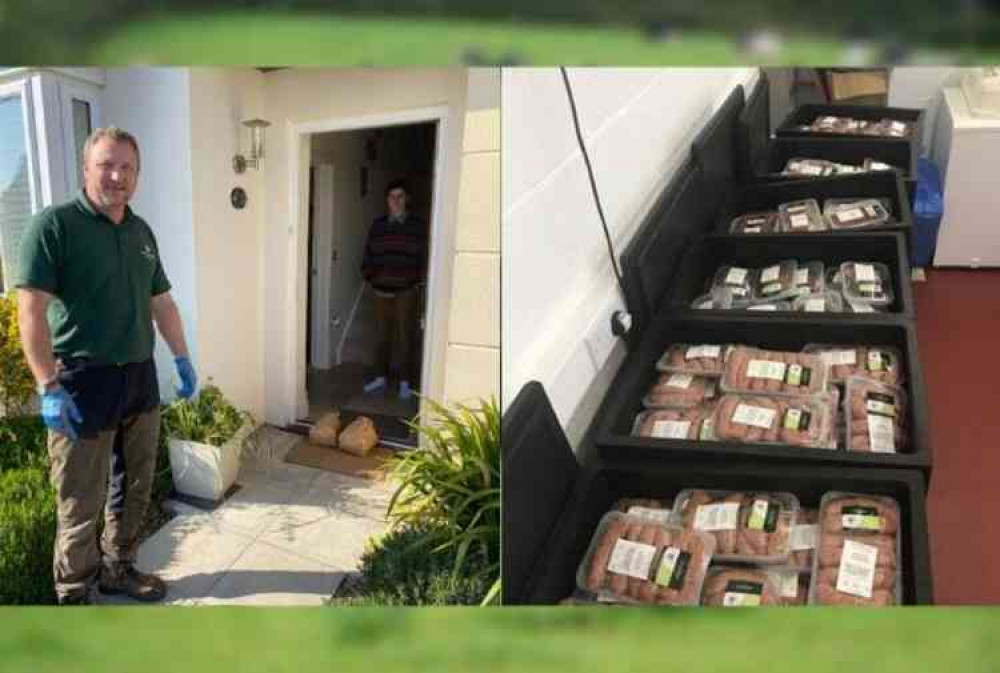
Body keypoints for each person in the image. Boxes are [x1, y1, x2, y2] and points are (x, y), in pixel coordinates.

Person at [15, 126, 197, 605]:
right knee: (80, 500)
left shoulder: (141, 232)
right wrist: (47, 385)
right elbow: (30, 312)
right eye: (106, 165)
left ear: (137, 174)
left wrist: (181, 358)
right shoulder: (54, 227)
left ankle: (119, 567)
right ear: (86, 168)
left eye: (127, 167)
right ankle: (73, 593)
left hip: (138, 376)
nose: (117, 176)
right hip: (80, 381)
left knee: (135, 484)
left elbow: (162, 303)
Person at [360, 180, 427, 400]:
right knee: (381, 337)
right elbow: (368, 254)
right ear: (387, 201)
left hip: (405, 292)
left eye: (400, 196)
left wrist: (416, 282)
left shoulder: (416, 225)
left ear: (406, 199)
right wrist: (370, 278)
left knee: (404, 337)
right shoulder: (378, 225)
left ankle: (405, 382)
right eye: (392, 197)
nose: (396, 201)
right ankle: (381, 377)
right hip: (380, 291)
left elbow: (423, 258)